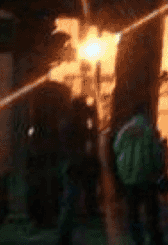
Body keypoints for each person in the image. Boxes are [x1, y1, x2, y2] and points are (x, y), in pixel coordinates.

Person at [113, 103, 167, 245]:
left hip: (128, 178)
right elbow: (156, 154)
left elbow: (117, 149)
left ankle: (137, 239)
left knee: (133, 212)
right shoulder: (150, 130)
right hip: (147, 176)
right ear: (146, 113)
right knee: (151, 212)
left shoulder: (124, 130)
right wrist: (160, 171)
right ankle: (154, 238)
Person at [56, 97, 93, 245]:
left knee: (71, 200)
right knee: (71, 200)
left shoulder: (67, 123)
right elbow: (84, 142)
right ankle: (65, 236)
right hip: (74, 164)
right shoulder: (75, 124)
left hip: (70, 163)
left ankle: (66, 235)